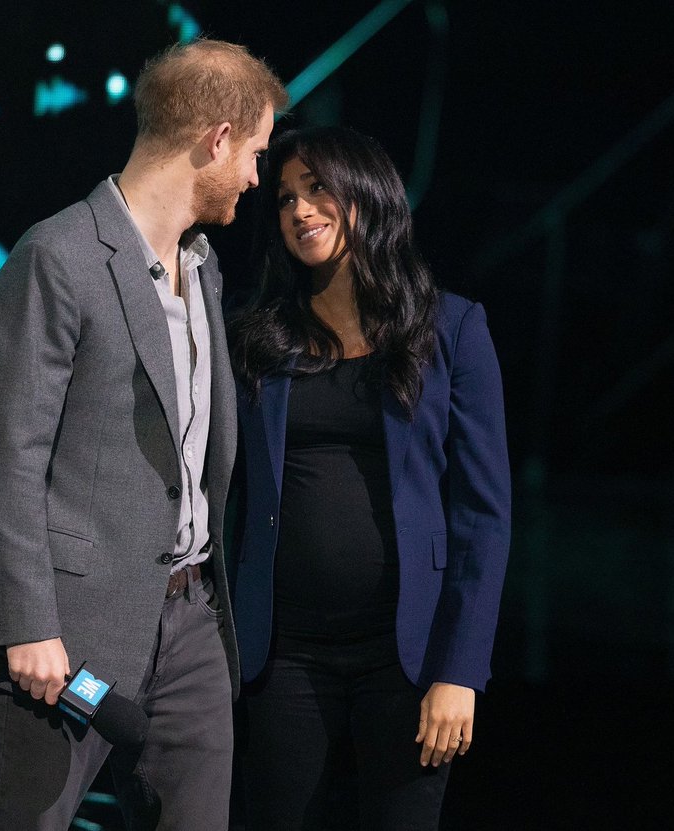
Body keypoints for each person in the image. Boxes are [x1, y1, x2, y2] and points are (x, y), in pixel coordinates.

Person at [0, 39, 286, 830]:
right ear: (218, 139)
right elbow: (6, 455)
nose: (255, 179)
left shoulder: (203, 267)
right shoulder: (58, 257)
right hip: (69, 629)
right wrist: (30, 622)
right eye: (257, 154)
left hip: (194, 617)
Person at [228, 126, 512, 829]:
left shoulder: (451, 329)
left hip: (408, 657)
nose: (299, 210)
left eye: (318, 188)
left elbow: (484, 516)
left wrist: (460, 670)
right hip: (284, 654)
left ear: (369, 194)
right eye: (287, 198)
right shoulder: (258, 338)